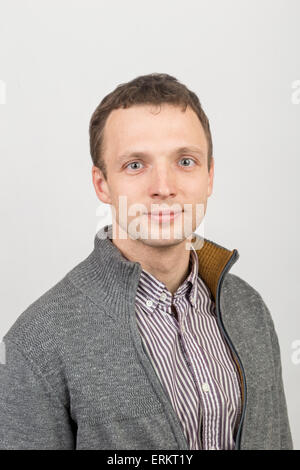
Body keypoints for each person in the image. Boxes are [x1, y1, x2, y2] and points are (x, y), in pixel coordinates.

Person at [0, 73, 293, 450]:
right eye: (135, 165)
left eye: (185, 161)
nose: (164, 186)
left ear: (210, 176)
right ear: (102, 184)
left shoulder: (249, 309)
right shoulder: (37, 341)